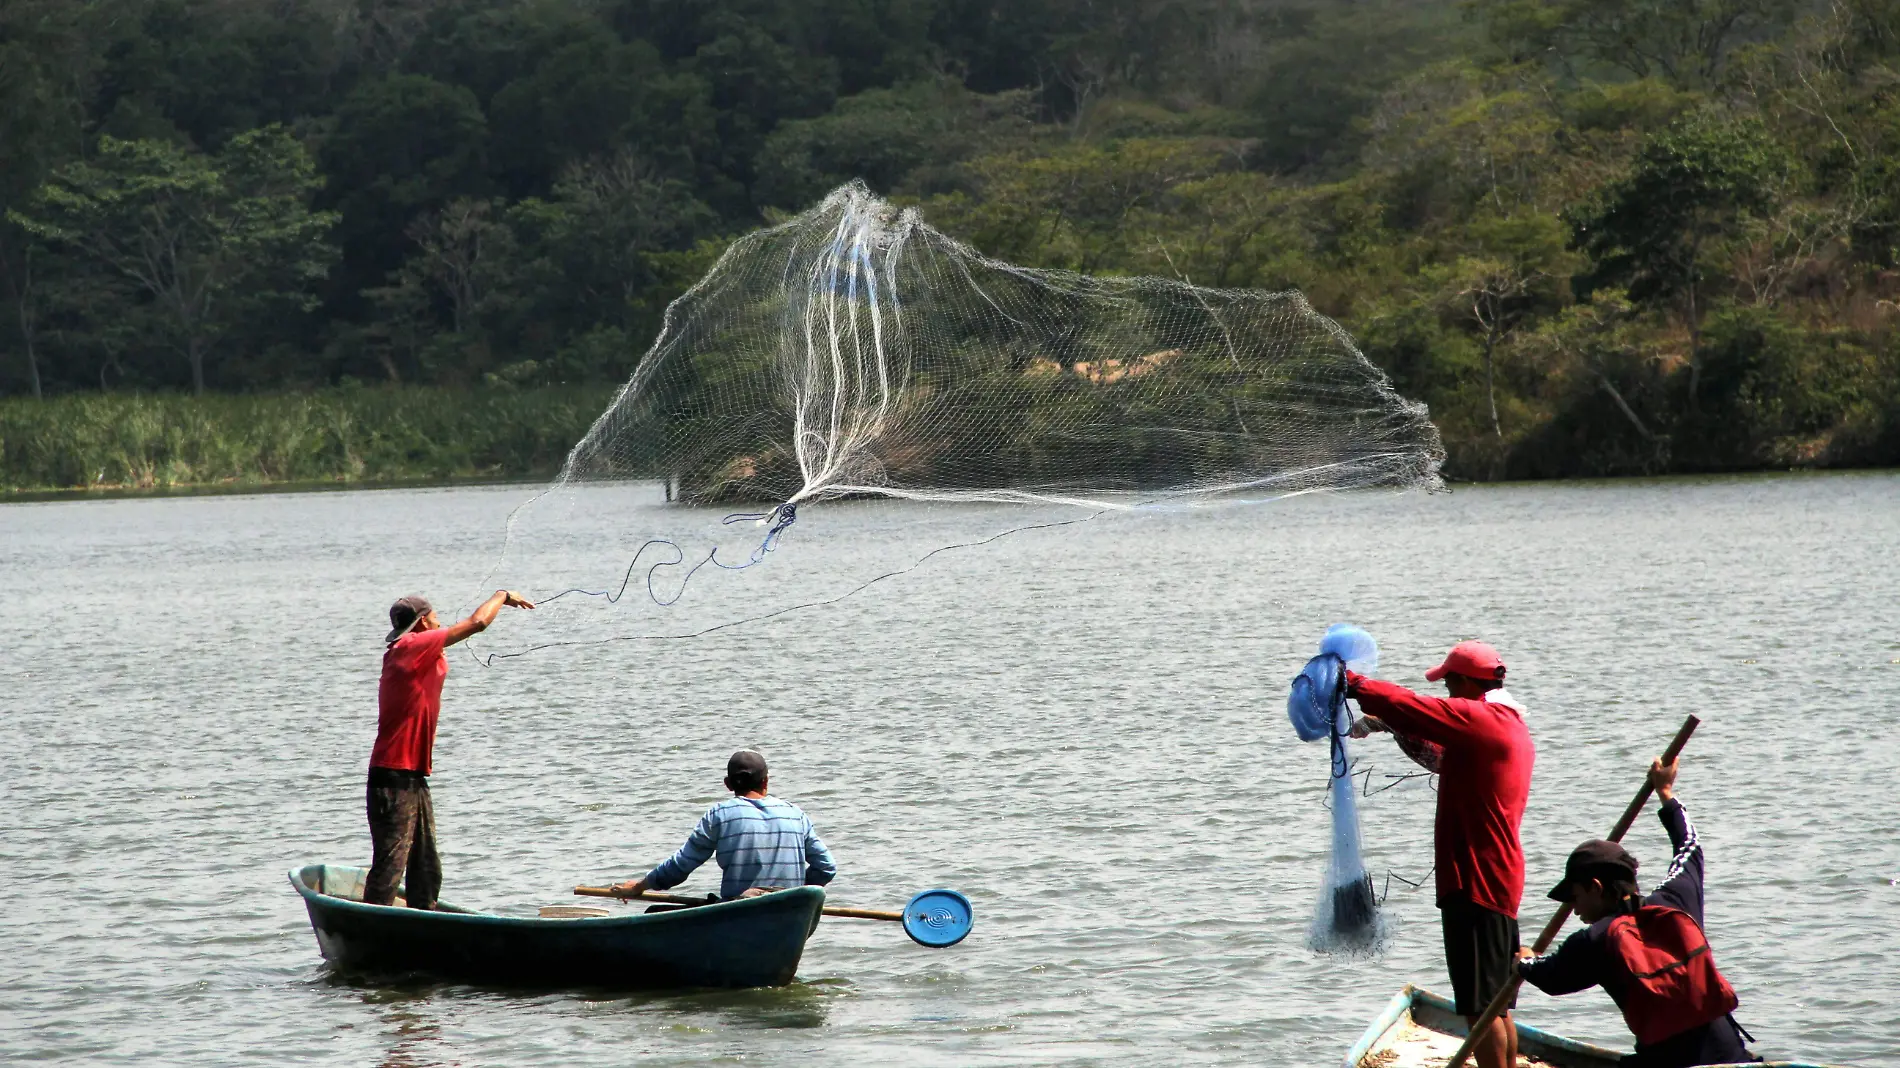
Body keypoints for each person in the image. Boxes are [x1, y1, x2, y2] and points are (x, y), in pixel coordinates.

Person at [1345, 640, 1534, 1068]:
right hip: (1497, 878)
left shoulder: (1480, 719)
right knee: (1495, 1004)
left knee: (1479, 1008)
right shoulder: (1507, 724)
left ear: (1468, 682)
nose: (1447, 692)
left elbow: (1411, 704)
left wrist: (1352, 683)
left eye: (1450, 683)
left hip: (1475, 881)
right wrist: (1387, 725)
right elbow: (1435, 754)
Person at [1517, 756, 1756, 1067]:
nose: (1572, 909)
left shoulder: (1594, 941)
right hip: (1732, 1057)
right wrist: (1666, 791)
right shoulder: (1675, 899)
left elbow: (1548, 977)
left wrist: (1522, 961)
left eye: (1574, 897)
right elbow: (1690, 845)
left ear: (1595, 887)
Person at [366, 590, 533, 908]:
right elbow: (478, 622)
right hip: (392, 777)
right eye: (436, 616)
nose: (440, 620)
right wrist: (502, 595)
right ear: (423, 622)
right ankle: (366, 929)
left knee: (426, 867)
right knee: (390, 867)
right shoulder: (411, 646)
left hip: (412, 776)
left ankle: (423, 927)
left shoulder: (416, 650)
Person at [613, 749, 837, 901]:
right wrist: (795, 893)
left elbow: (681, 866)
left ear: (728, 784)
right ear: (766, 781)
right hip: (790, 908)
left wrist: (639, 887)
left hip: (741, 910)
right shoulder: (795, 814)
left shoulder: (719, 815)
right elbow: (827, 867)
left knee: (654, 911)